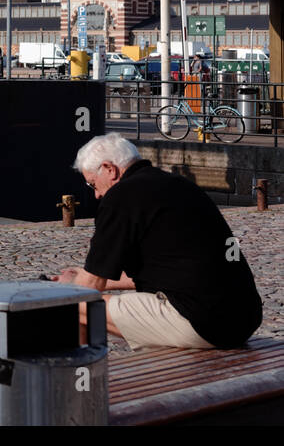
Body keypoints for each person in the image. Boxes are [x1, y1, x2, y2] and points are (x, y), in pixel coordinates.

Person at [55, 133, 261, 350]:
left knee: (71, 304)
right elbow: (168, 272)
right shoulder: (177, 185)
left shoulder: (121, 197)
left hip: (203, 323)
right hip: (243, 319)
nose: (96, 195)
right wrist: (83, 274)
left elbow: (90, 287)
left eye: (92, 184)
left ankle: (83, 378)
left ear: (109, 169)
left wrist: (58, 289)